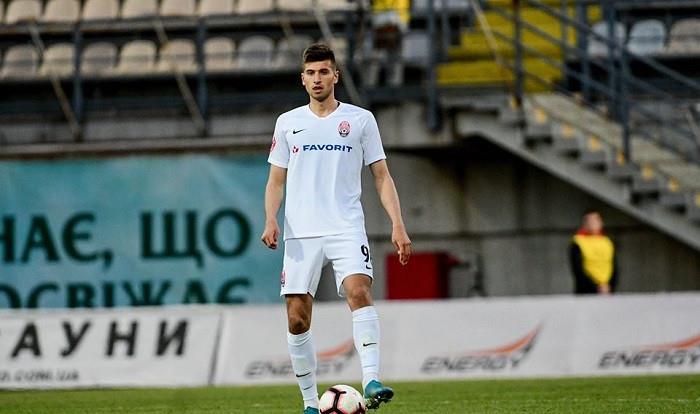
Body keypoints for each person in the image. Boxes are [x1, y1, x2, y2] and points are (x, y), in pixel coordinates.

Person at [261, 43, 412, 414]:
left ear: (335, 76)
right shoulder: (288, 122)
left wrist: (398, 223)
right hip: (301, 232)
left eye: (324, 72)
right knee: (297, 318)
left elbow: (381, 176)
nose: (317, 79)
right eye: (311, 73)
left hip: (346, 226)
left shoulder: (361, 120)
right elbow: (276, 180)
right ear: (303, 79)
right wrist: (270, 218)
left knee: (359, 290)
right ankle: (310, 403)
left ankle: (372, 379)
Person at [569, 209, 618, 295]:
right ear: (583, 224)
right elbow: (578, 270)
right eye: (588, 221)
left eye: (595, 220)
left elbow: (614, 266)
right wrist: (596, 288)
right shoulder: (578, 242)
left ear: (601, 222)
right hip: (586, 291)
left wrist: (610, 286)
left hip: (607, 291)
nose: (592, 223)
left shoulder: (607, 241)